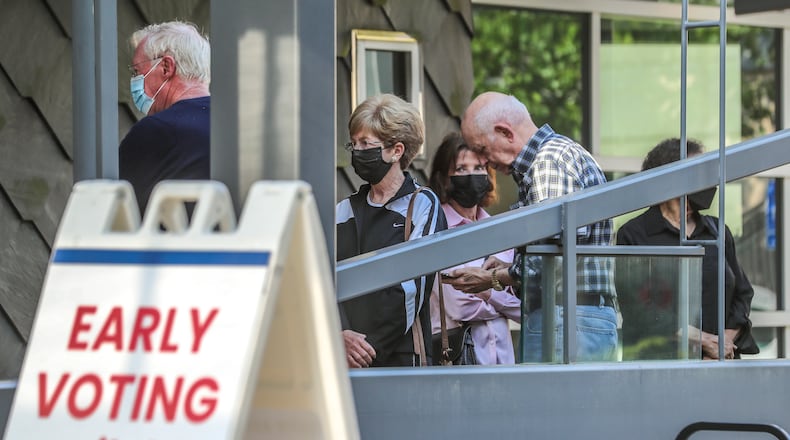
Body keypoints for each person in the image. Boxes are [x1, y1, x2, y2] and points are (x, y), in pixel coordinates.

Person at [446, 91, 618, 362]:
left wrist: (493, 279)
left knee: (551, 404)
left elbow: (552, 260)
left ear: (505, 132)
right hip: (578, 317)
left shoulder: (547, 164)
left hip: (565, 317)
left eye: (481, 149)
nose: (484, 162)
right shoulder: (562, 152)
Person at [616, 138, 759, 360]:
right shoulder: (635, 234)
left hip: (719, 364)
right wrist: (704, 341)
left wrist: (722, 345)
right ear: (671, 177)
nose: (706, 180)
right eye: (698, 171)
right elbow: (640, 309)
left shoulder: (718, 231)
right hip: (659, 365)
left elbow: (742, 295)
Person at [336, 94, 448, 368]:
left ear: (397, 150)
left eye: (366, 144)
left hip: (402, 357)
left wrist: (368, 349)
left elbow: (412, 287)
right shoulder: (343, 210)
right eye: (354, 143)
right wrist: (340, 334)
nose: (357, 152)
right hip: (342, 355)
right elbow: (324, 279)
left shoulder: (422, 205)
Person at [428, 132, 521, 365]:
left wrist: (484, 288)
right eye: (461, 169)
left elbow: (524, 308)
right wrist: (500, 289)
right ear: (445, 178)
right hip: (459, 358)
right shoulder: (437, 228)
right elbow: (460, 307)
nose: (472, 175)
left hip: (503, 360)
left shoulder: (498, 230)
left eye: (479, 168)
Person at [119, 21, 211, 213]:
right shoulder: (237, 127)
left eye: (137, 71)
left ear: (166, 67)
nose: (135, 80)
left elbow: (120, 214)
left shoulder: (155, 131)